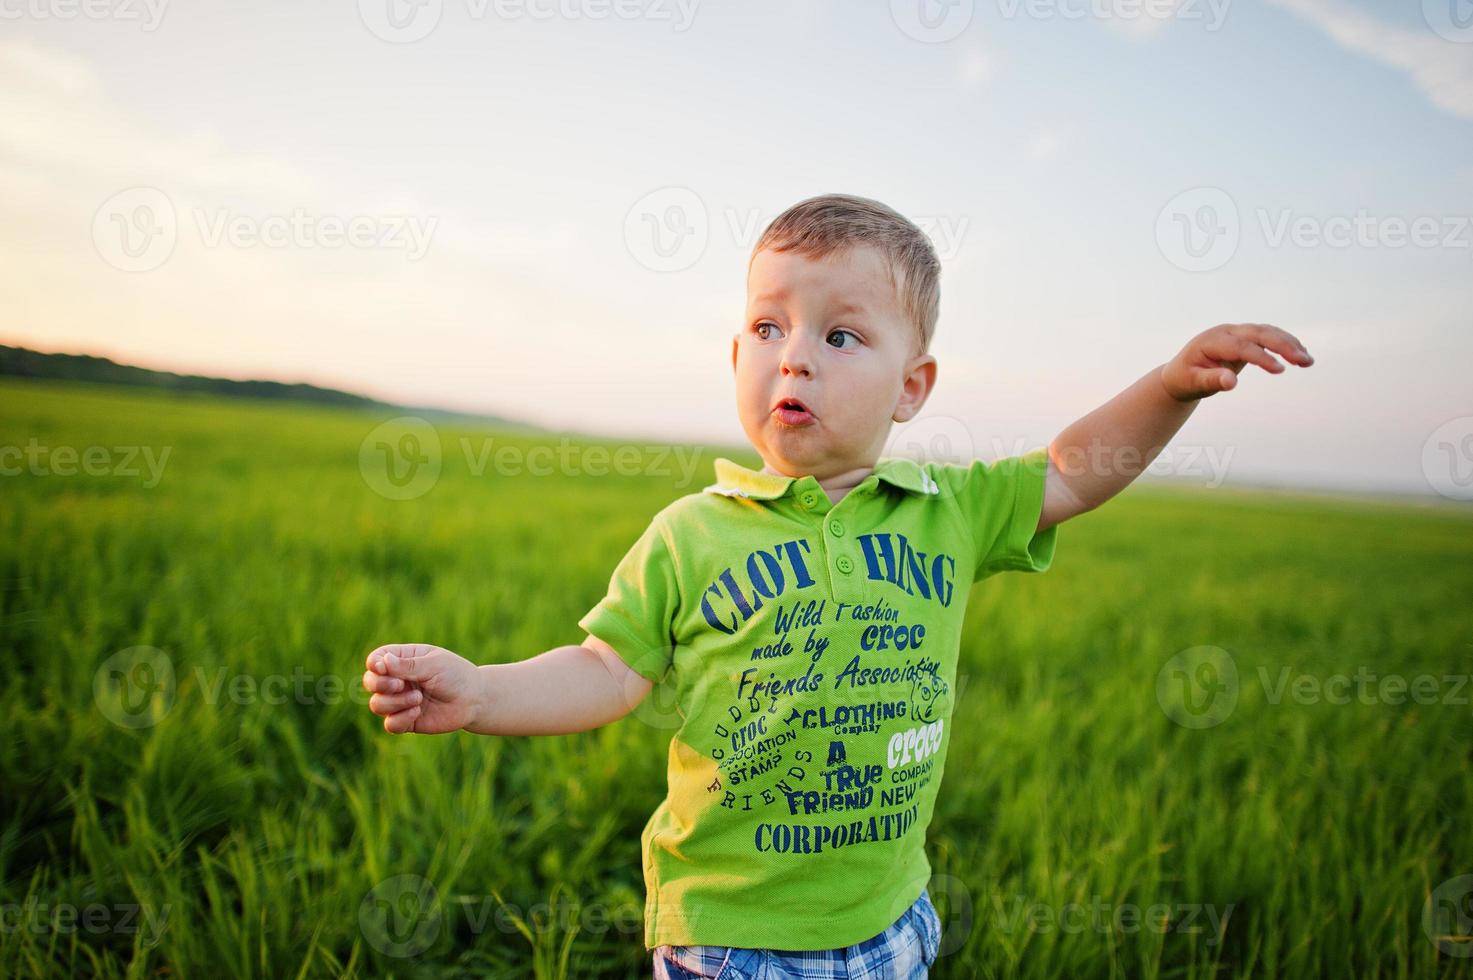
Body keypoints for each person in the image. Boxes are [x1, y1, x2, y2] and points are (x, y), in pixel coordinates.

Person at [361, 193, 1313, 978]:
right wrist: (483, 690)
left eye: (842, 335)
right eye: (768, 327)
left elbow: (1072, 471)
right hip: (731, 937)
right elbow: (606, 670)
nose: (796, 354)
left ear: (912, 386)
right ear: (737, 360)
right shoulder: (691, 535)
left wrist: (1170, 388)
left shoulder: (950, 508)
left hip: (891, 919)